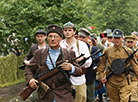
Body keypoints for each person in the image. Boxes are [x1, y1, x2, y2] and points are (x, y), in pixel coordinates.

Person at [25, 24, 82, 102]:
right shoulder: (39, 53)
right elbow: (29, 68)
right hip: (45, 96)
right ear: (47, 38)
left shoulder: (69, 53)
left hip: (64, 96)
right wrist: (30, 79)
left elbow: (79, 71)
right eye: (50, 36)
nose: (52, 39)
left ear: (61, 38)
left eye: (55, 36)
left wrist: (71, 67)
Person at [97, 29, 138, 102]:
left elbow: (135, 66)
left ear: (122, 38)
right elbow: (101, 65)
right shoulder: (107, 50)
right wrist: (102, 76)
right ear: (112, 38)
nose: (116, 40)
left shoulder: (128, 51)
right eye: (115, 38)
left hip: (124, 80)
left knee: (124, 99)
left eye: (118, 38)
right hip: (111, 80)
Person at [60, 21, 92, 102]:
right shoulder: (60, 44)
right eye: (65, 30)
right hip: (62, 82)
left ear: (74, 32)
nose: (67, 32)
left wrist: (81, 60)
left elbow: (89, 62)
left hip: (78, 80)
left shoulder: (81, 45)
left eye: (70, 30)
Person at [23, 29, 47, 102]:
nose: (40, 38)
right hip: (35, 74)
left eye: (41, 36)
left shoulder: (49, 47)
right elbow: (27, 56)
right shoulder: (33, 48)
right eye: (38, 36)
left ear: (45, 37)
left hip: (46, 74)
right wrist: (26, 61)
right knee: (34, 97)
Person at [78, 28, 98, 102]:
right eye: (80, 37)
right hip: (76, 77)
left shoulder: (93, 49)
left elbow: (96, 61)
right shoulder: (74, 48)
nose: (81, 39)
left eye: (83, 37)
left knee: (90, 98)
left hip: (88, 76)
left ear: (88, 38)